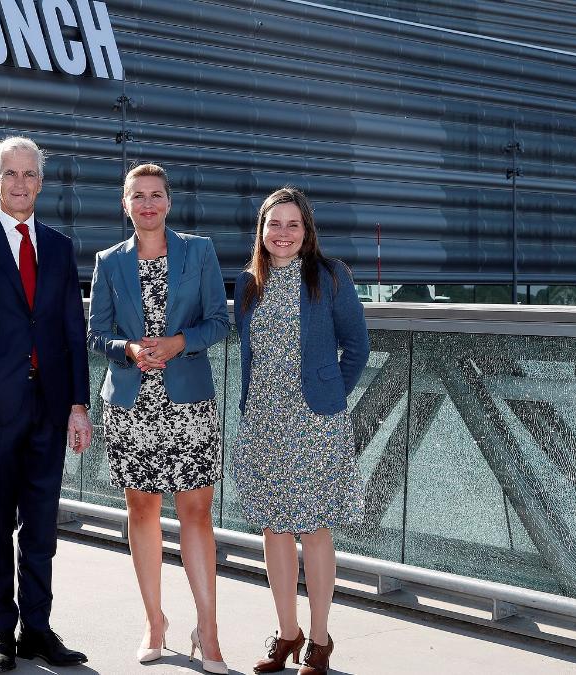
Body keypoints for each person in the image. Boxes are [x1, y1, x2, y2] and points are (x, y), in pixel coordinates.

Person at [0, 136, 92, 673]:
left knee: (41, 526)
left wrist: (79, 404)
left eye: (30, 174)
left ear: (41, 183)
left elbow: (73, 333)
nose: (21, 183)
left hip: (50, 411)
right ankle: (1, 631)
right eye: (11, 174)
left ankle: (37, 628)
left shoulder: (59, 245)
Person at [87, 163, 230, 673]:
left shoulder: (200, 251)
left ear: (169, 202)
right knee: (142, 511)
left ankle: (207, 629)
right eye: (137, 196)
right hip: (131, 405)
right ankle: (155, 621)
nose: (147, 203)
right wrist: (126, 348)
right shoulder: (108, 261)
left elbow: (219, 321)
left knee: (196, 513)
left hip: (189, 403)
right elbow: (96, 334)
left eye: (156, 195)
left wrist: (178, 343)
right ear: (125, 204)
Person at [231, 187, 369, 675]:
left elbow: (357, 347)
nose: (283, 234)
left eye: (293, 225)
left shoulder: (331, 278)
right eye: (274, 225)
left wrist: (330, 397)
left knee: (314, 529)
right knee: (273, 528)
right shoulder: (249, 283)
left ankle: (320, 641)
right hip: (264, 422)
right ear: (262, 232)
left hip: (315, 425)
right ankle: (286, 634)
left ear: (307, 230)